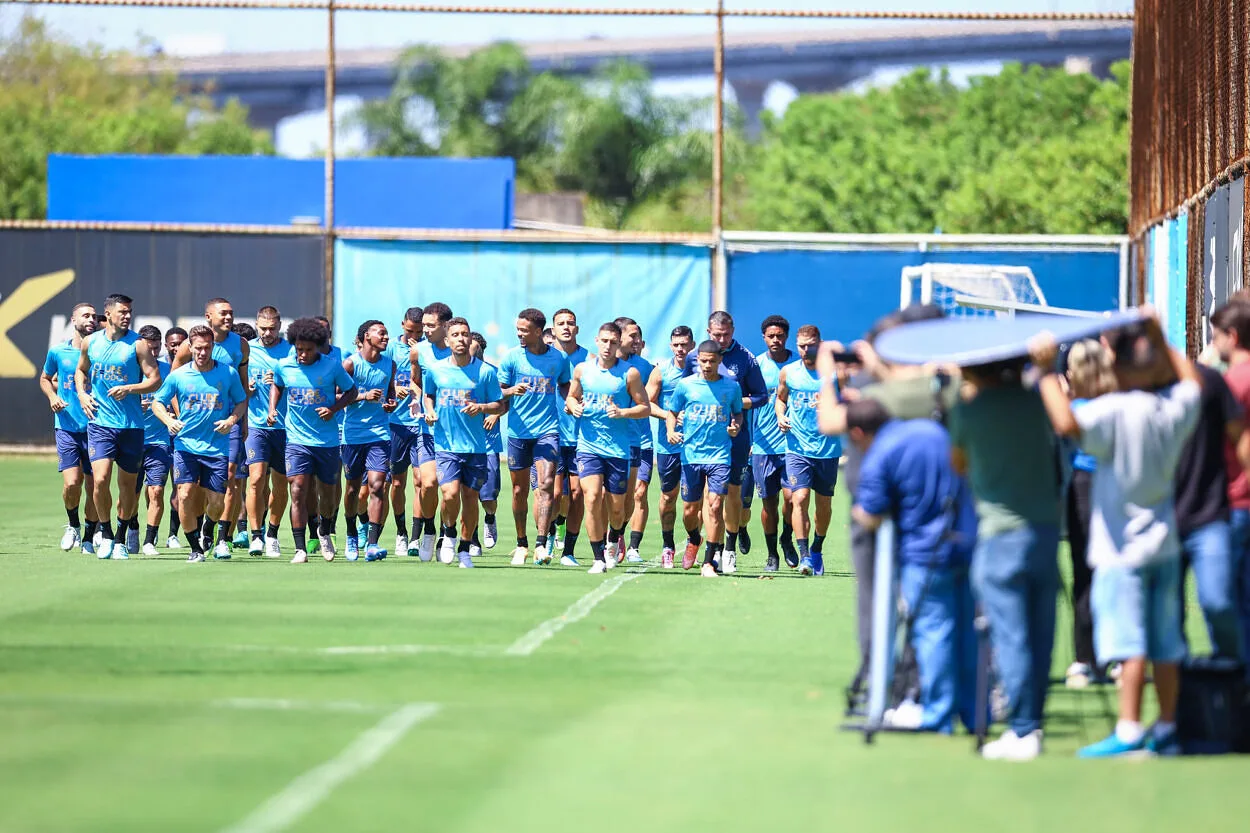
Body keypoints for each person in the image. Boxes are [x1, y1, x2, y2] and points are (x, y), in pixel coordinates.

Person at [1033, 313, 1201, 757]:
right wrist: (1161, 338)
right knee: (1166, 643)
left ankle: (1128, 728)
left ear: (1117, 367)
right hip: (1165, 544)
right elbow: (1193, 385)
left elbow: (1066, 425)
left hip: (1120, 548)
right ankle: (1167, 726)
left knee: (1129, 643)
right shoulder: (1170, 408)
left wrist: (1046, 371)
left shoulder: (1111, 411)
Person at [848, 397, 979, 734]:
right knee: (967, 631)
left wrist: (859, 513)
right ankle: (975, 713)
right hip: (966, 541)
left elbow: (870, 513)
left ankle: (937, 713)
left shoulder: (882, 452)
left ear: (858, 433)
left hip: (925, 553)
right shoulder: (933, 431)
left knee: (933, 632)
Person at [75, 293, 163, 561]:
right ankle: (106, 533)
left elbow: (155, 379)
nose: (127, 316)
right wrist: (82, 394)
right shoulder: (91, 342)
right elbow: (81, 371)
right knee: (100, 480)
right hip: (100, 424)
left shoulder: (138, 345)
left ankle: (121, 539)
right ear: (109, 314)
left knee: (128, 487)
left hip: (131, 427)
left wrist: (130, 388)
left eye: (129, 311)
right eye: (122, 311)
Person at [151, 325, 248, 563]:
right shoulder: (179, 375)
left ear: (212, 347)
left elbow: (241, 401)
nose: (202, 352)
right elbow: (157, 402)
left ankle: (208, 528)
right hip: (186, 446)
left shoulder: (228, 373)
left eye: (207, 348)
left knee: (216, 503)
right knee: (184, 495)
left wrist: (231, 420)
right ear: (190, 348)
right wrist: (168, 421)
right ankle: (195, 548)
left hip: (217, 448)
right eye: (198, 348)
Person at [268, 317, 357, 564]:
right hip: (296, 440)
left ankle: (325, 530)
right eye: (299, 349)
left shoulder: (332, 366)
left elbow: (352, 391)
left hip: (326, 442)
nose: (303, 354)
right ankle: (300, 549)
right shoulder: (284, 365)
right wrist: (272, 408)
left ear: (318, 346)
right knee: (297, 489)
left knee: (327, 495)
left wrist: (334, 408)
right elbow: (277, 385)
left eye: (308, 350)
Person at [684, 311, 768, 572]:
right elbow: (686, 390)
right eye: (717, 335)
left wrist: (733, 402)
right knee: (699, 502)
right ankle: (703, 542)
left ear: (733, 332)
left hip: (734, 438)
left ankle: (727, 548)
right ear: (708, 332)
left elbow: (761, 396)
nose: (722, 340)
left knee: (730, 494)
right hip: (701, 441)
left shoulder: (745, 358)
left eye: (726, 335)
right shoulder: (695, 357)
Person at [566, 322, 650, 574]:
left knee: (617, 508)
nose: (608, 346)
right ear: (596, 340)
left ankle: (614, 538)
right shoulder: (582, 370)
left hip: (618, 449)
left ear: (619, 344)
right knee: (592, 497)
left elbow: (644, 407)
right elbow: (571, 396)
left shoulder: (629, 374)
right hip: (588, 446)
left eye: (613, 342)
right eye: (604, 341)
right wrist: (573, 405)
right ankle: (598, 557)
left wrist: (623, 412)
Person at [422, 317, 505, 568]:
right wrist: (429, 410)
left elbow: (500, 405)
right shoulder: (436, 370)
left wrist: (482, 407)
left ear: (470, 339)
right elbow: (428, 395)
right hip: (446, 446)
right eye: (456, 334)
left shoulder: (486, 372)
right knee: (449, 494)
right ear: (447, 340)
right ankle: (448, 533)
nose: (461, 338)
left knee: (470, 497)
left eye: (465, 334)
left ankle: (465, 549)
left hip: (476, 447)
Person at [172, 298, 251, 553]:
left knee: (230, 476)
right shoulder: (190, 345)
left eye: (231, 313)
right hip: (193, 425)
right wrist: (179, 415)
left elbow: (242, 386)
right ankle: (199, 529)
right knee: (192, 487)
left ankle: (221, 538)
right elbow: (174, 379)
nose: (228, 317)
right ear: (208, 317)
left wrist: (241, 420)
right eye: (223, 313)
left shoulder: (241, 344)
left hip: (228, 422)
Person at [1061, 339, 1116, 687]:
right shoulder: (1117, 403)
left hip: (1086, 485)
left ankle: (1088, 659)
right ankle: (1112, 657)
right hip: (1111, 484)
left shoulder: (1074, 409)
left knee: (1086, 572)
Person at [499, 308, 571, 566]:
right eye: (518, 329)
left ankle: (541, 544)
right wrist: (511, 390)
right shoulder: (511, 358)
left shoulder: (558, 358)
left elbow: (565, 383)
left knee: (547, 484)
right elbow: (497, 391)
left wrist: (571, 400)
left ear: (539, 332)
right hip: (518, 433)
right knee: (519, 490)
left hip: (547, 430)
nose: (519, 334)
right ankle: (522, 543)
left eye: (524, 330)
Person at [666, 340, 744, 577]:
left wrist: (736, 427)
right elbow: (672, 412)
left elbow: (738, 413)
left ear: (720, 360)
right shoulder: (686, 385)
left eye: (712, 361)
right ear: (697, 360)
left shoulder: (731, 387)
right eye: (703, 361)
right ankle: (694, 538)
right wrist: (670, 431)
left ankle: (709, 562)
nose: (707, 365)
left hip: (720, 456)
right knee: (690, 511)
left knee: (715, 505)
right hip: (691, 456)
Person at [776, 325, 842, 577]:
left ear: (820, 344)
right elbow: (780, 399)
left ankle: (816, 548)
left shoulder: (835, 372)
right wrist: (781, 416)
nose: (805, 350)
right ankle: (804, 555)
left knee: (823, 505)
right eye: (801, 346)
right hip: (797, 447)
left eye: (810, 345)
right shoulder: (789, 372)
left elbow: (850, 398)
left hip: (827, 449)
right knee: (799, 498)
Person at [40, 301, 99, 554]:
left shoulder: (101, 351)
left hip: (97, 427)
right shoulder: (58, 352)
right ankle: (73, 525)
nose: (91, 319)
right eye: (86, 315)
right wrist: (52, 396)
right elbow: (45, 378)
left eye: (94, 316)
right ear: (73, 320)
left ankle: (90, 535)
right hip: (66, 426)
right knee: (72, 484)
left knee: (96, 486)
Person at [1209, 300, 1250, 664]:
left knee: (1227, 595)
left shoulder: (1232, 383)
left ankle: (1233, 671)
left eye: (1215, 337)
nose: (1213, 344)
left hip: (1236, 499)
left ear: (1232, 337)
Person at [341, 320, 397, 562]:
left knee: (377, 485)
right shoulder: (350, 364)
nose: (386, 337)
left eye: (386, 333)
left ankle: (372, 543)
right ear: (366, 336)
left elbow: (390, 390)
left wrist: (391, 402)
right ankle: (351, 534)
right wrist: (363, 395)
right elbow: (335, 395)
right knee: (353, 489)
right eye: (381, 333)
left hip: (380, 434)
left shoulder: (389, 364)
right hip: (353, 434)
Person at [244, 307, 292, 558]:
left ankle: (272, 533)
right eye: (263, 328)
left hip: (286, 428)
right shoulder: (247, 349)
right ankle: (256, 535)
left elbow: (301, 383)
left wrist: (283, 381)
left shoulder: (291, 351)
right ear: (256, 325)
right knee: (256, 479)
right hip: (256, 425)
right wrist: (247, 386)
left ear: (280, 326)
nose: (267, 333)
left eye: (272, 328)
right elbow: (236, 385)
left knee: (281, 485)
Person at [408, 302, 454, 560]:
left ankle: (448, 533)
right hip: (427, 429)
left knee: (449, 490)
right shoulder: (419, 351)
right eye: (423, 325)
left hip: (455, 433)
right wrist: (418, 400)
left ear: (445, 326)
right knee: (428, 484)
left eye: (430, 325)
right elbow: (416, 382)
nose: (424, 330)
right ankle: (428, 530)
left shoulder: (462, 350)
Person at [754, 315, 799, 572]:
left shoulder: (797, 365)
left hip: (793, 445)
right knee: (768, 504)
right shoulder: (757, 365)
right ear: (764, 337)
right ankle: (772, 554)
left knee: (792, 499)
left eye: (780, 336)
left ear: (786, 337)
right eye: (771, 336)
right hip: (763, 446)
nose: (775, 340)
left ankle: (787, 538)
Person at [647, 326, 694, 569]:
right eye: (676, 345)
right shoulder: (661, 371)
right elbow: (646, 403)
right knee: (668, 497)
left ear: (692, 345)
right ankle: (667, 545)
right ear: (670, 346)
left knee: (692, 502)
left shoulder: (703, 370)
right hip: (669, 446)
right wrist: (670, 416)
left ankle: (693, 541)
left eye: (684, 344)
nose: (680, 349)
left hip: (698, 448)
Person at [614, 316, 654, 565]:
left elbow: (654, 400)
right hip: (611, 442)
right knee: (611, 496)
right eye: (633, 335)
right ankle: (613, 534)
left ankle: (632, 544)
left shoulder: (645, 367)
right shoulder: (603, 366)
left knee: (638, 493)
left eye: (638, 336)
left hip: (641, 440)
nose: (638, 340)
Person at [387, 306, 425, 557]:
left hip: (421, 424)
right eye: (411, 331)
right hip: (396, 423)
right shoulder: (391, 348)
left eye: (419, 332)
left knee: (422, 481)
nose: (414, 336)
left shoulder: (428, 350)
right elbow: (381, 375)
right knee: (398, 482)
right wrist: (394, 388)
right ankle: (400, 532)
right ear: (403, 325)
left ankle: (415, 537)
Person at [551, 308, 588, 566]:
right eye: (561, 323)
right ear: (553, 329)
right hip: (550, 435)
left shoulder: (590, 361)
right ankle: (546, 538)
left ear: (577, 329)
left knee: (577, 494)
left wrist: (581, 402)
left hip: (582, 437)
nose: (566, 327)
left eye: (570, 323)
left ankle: (569, 551)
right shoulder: (545, 357)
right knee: (553, 494)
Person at [135, 325, 173, 556]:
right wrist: (133, 405)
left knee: (157, 490)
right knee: (130, 493)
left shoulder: (168, 370)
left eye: (157, 348)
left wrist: (172, 412)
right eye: (149, 348)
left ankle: (150, 539)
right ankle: (131, 528)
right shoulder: (130, 369)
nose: (153, 352)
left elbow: (178, 396)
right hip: (133, 437)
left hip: (159, 440)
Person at [469, 331, 504, 557]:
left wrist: (495, 414)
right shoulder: (456, 372)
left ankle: (490, 518)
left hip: (489, 444)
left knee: (488, 497)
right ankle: (472, 540)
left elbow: (504, 402)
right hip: (465, 444)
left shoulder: (492, 372)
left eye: (474, 351)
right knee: (468, 494)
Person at [162, 327, 187, 549]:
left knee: (180, 485)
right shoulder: (158, 366)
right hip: (160, 436)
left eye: (181, 343)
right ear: (166, 346)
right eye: (173, 344)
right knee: (155, 487)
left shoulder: (193, 368)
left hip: (184, 433)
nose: (177, 347)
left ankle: (173, 534)